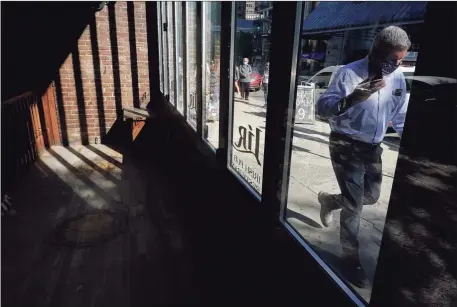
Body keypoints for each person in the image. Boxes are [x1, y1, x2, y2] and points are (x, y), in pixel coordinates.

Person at [315, 26, 410, 288]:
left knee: (370, 196)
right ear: (376, 51)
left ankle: (328, 200)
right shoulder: (348, 73)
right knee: (354, 206)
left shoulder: (398, 77)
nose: (398, 64)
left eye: (402, 59)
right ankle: (350, 260)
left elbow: (400, 114)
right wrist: (353, 98)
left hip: (373, 148)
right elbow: (322, 110)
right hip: (346, 145)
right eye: (394, 59)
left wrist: (410, 144)